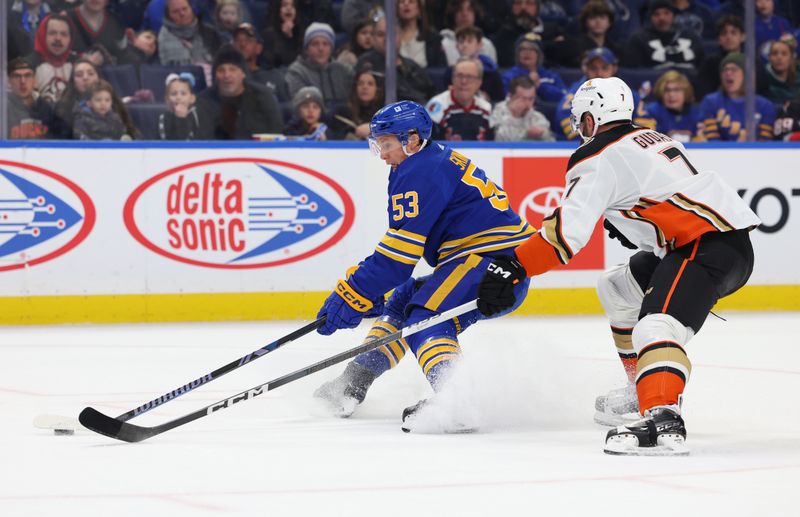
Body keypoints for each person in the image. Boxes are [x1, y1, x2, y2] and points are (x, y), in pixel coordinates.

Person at [476, 76, 759, 456]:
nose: (580, 131)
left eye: (581, 122)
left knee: (656, 326)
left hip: (704, 246)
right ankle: (638, 385)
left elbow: (564, 237)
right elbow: (664, 200)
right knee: (618, 288)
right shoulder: (652, 137)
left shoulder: (597, 154)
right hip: (719, 242)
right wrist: (636, 226)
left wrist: (514, 265)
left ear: (591, 118)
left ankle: (663, 415)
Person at [313, 100, 534, 432]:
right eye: (378, 144)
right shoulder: (422, 162)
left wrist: (353, 292)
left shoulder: (420, 170)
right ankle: (355, 380)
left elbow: (398, 260)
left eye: (386, 144)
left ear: (412, 139)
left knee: (424, 319)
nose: (382, 153)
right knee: (404, 300)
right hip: (482, 260)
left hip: (491, 264)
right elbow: (400, 251)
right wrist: (368, 290)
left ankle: (458, 401)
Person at [197, 45, 284, 139]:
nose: (227, 75)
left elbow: (276, 131)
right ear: (215, 75)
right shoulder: (203, 101)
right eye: (221, 70)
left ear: (243, 73)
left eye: (232, 69)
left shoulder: (262, 96)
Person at [356, 14, 434, 105]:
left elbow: (432, 92)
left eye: (392, 34)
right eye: (381, 35)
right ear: (373, 38)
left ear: (400, 36)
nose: (387, 39)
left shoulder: (411, 65)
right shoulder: (367, 63)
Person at [697, 52, 776, 141]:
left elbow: (765, 143)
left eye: (734, 70)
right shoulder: (710, 102)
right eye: (725, 70)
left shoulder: (764, 106)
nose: (728, 73)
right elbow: (711, 141)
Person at [285, 23, 355, 107]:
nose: (321, 49)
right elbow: (299, 104)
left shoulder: (345, 70)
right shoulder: (297, 71)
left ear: (331, 49)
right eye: (315, 44)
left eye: (325, 44)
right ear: (307, 49)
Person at [623, 0, 704, 70]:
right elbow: (634, 70)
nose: (661, 18)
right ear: (650, 17)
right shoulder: (639, 39)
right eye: (656, 14)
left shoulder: (690, 36)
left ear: (673, 15)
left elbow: (701, 66)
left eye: (666, 13)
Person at [426, 56, 493, 141]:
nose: (464, 81)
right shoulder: (437, 106)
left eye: (469, 77)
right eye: (459, 76)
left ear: (479, 83)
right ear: (452, 79)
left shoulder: (486, 109)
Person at [158, 0, 221, 80]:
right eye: (176, 11)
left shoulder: (209, 33)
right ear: (168, 16)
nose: (182, 14)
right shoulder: (162, 39)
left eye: (185, 9)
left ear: (191, 9)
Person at [550, 0, 623, 68]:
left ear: (610, 22)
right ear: (585, 22)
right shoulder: (573, 46)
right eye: (592, 17)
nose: (598, 21)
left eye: (602, 17)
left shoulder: (616, 50)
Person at [6, 58, 67, 139]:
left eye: (27, 75)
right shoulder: (3, 109)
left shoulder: (48, 110)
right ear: (9, 81)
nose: (23, 81)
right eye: (17, 76)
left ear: (35, 79)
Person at [492, 0, 564, 68]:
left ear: (538, 8)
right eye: (518, 3)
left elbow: (568, 52)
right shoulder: (504, 33)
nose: (523, 7)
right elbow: (511, 61)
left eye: (529, 3)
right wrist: (550, 45)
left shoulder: (553, 29)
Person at [634, 70, 701, 142]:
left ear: (686, 92)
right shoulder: (649, 112)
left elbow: (706, 141)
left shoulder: (696, 113)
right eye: (667, 90)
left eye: (676, 90)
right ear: (661, 92)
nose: (671, 95)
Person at [443, 25, 504, 102]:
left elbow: (499, 99)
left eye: (469, 41)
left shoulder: (492, 71)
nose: (465, 45)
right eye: (461, 41)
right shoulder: (450, 71)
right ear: (456, 46)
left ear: (479, 45)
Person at [501, 32, 567, 103]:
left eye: (531, 49)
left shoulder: (551, 76)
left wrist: (540, 86)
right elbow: (506, 99)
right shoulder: (509, 76)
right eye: (522, 49)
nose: (526, 53)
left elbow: (564, 98)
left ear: (539, 55)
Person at [26, 13, 77, 104]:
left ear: (70, 39)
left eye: (64, 34)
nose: (58, 38)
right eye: (52, 33)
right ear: (42, 35)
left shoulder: (78, 65)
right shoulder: (27, 65)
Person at [232, 22, 290, 103]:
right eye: (238, 40)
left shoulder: (274, 77)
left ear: (259, 48)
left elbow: (288, 108)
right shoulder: (226, 76)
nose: (242, 44)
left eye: (248, 40)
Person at [490, 75, 554, 141]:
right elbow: (499, 140)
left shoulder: (537, 117)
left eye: (531, 99)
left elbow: (551, 142)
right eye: (523, 99)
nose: (527, 103)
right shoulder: (496, 114)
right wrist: (515, 117)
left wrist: (542, 135)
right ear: (510, 96)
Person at [696, 15, 745, 98]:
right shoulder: (709, 63)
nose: (728, 37)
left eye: (733, 33)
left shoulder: (752, 61)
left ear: (743, 37)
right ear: (718, 40)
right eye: (724, 33)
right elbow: (703, 93)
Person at [329, 68, 384, 140]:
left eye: (370, 84)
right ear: (355, 88)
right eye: (361, 83)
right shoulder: (342, 112)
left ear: (377, 89)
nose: (365, 87)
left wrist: (373, 128)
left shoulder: (384, 113)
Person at [440, 0, 498, 66]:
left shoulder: (486, 45)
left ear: (475, 13)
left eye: (470, 10)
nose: (465, 14)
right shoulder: (443, 43)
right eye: (459, 10)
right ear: (453, 14)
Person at [158, 72, 211, 139]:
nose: (178, 97)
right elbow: (174, 144)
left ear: (192, 98)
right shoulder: (163, 117)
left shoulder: (198, 116)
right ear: (167, 99)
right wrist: (181, 119)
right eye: (174, 94)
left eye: (183, 94)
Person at [396, 0, 446, 68]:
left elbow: (440, 69)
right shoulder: (389, 37)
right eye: (402, 2)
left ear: (419, 9)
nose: (406, 4)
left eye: (411, 1)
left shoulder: (432, 37)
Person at [260, 0, 304, 69]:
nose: (289, 8)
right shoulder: (268, 35)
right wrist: (285, 39)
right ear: (278, 10)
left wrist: (290, 37)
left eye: (292, 6)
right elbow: (270, 62)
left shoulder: (301, 35)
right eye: (285, 5)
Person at [758, 35, 800, 105]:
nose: (779, 57)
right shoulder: (762, 81)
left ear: (791, 58)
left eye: (784, 54)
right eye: (774, 53)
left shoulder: (797, 79)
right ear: (769, 57)